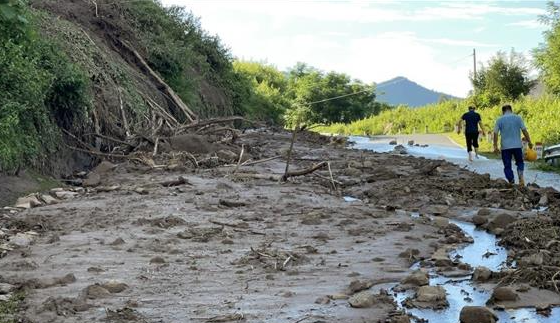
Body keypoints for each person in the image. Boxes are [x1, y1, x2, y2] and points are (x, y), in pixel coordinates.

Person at [493, 104, 533, 186]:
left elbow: (495, 133)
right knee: (520, 162)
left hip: (505, 147)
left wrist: (495, 146)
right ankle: (520, 175)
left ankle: (511, 181)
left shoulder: (499, 120)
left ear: (503, 111)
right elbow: (524, 130)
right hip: (517, 146)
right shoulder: (518, 118)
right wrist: (529, 142)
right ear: (511, 110)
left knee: (507, 166)